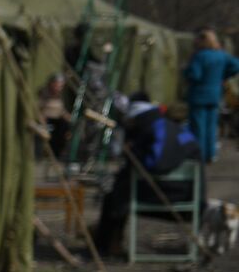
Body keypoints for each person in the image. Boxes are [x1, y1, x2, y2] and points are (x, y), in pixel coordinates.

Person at [93, 93, 204, 257]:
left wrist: (134, 153)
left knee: (116, 196)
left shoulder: (155, 130)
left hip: (170, 196)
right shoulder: (174, 128)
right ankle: (108, 242)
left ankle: (104, 246)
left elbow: (156, 163)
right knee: (119, 190)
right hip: (191, 195)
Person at [184, 28, 239, 163]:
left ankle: (199, 155)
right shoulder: (221, 55)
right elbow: (236, 65)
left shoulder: (199, 56)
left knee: (198, 127)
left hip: (199, 95)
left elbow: (195, 75)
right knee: (211, 126)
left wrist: (186, 71)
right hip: (215, 94)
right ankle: (211, 154)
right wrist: (223, 76)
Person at [37, 73, 71, 159]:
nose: (59, 88)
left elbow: (62, 111)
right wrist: (42, 120)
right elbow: (39, 109)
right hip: (48, 120)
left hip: (59, 121)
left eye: (61, 86)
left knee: (64, 129)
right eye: (57, 85)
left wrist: (68, 118)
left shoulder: (60, 96)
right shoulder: (44, 95)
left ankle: (59, 153)